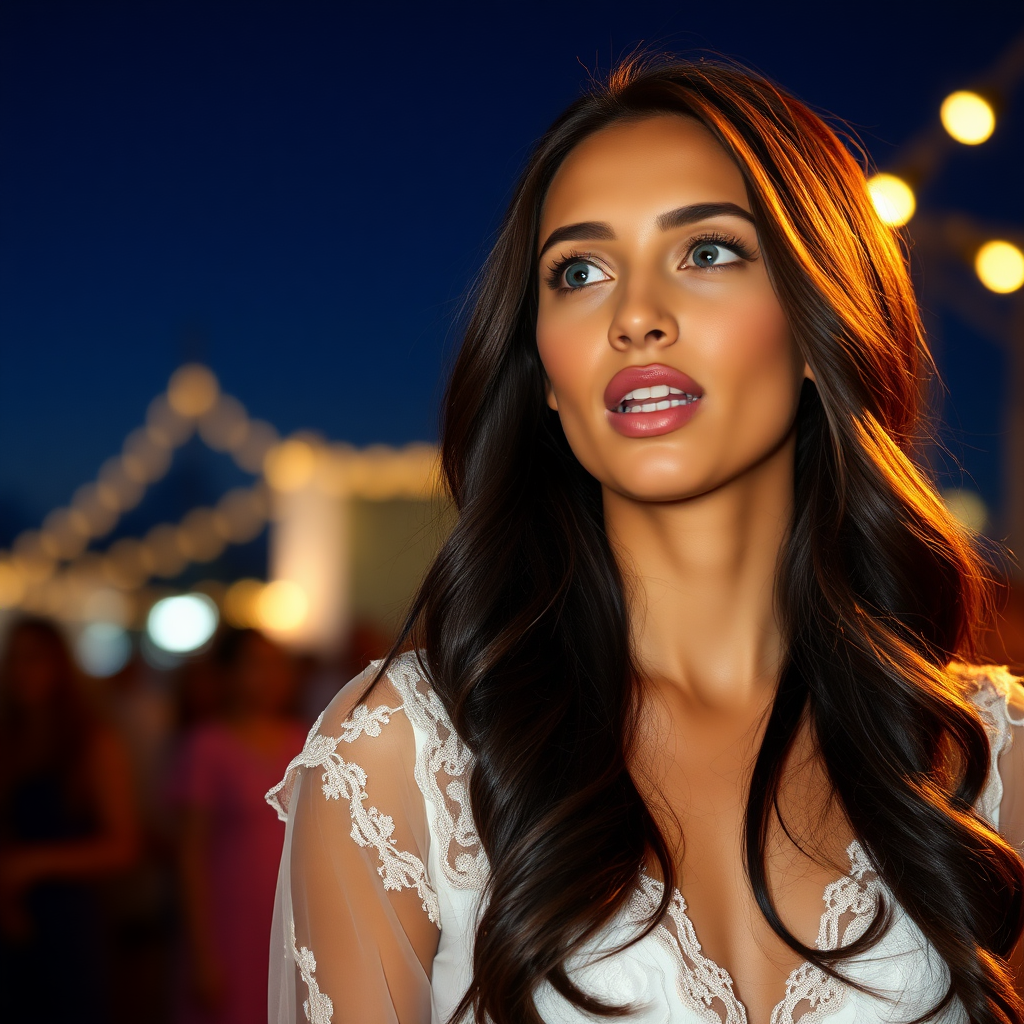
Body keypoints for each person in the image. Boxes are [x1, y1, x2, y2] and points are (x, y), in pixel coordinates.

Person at [267, 57, 1024, 1024]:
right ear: (543, 369)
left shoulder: (989, 761)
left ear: (815, 316)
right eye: (579, 272)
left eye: (707, 252)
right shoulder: (399, 763)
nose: (635, 318)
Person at [0, 616, 140, 1023]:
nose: (23, 671)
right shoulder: (11, 739)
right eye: (15, 660)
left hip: (68, 921)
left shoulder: (92, 742)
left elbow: (124, 846)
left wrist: (34, 864)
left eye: (35, 659)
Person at [171, 628, 306, 1024]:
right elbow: (189, 853)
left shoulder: (304, 741)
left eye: (275, 665)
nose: (268, 677)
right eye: (254, 666)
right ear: (228, 675)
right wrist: (202, 950)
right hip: (228, 922)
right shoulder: (207, 746)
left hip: (287, 915)